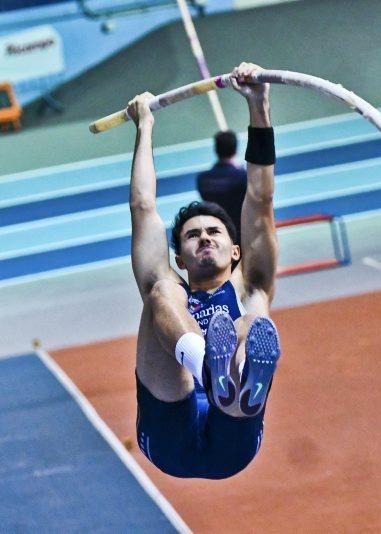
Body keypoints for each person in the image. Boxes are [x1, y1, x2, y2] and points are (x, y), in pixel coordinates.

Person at [127, 62, 281, 479]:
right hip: (169, 429)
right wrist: (145, 127)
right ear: (181, 257)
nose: (204, 238)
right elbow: (143, 207)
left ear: (235, 250)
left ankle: (230, 381)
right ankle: (207, 365)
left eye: (214, 231)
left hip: (232, 430)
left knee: (255, 315)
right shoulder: (171, 284)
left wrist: (258, 104)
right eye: (193, 236)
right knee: (159, 293)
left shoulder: (250, 282)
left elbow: (260, 198)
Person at [196, 130, 248, 244]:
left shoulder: (203, 179)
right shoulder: (243, 177)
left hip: (218, 232)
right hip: (242, 230)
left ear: (216, 150)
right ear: (235, 150)